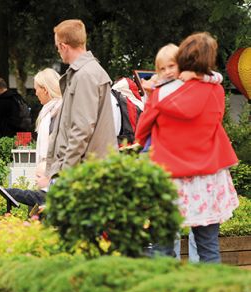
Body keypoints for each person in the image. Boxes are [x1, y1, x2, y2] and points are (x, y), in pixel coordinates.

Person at [135, 32, 239, 263]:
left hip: (169, 180)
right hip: (207, 180)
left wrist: (151, 96)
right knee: (208, 248)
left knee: (162, 247)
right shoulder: (216, 90)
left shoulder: (161, 94)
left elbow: (141, 134)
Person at [45, 19, 116, 182]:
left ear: (63, 46)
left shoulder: (85, 75)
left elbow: (82, 128)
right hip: (85, 170)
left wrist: (66, 173)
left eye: (57, 47)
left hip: (82, 174)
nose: (58, 51)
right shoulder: (86, 72)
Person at [33, 69, 62, 164]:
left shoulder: (59, 112)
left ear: (45, 90)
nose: (36, 93)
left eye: (36, 89)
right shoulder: (52, 111)